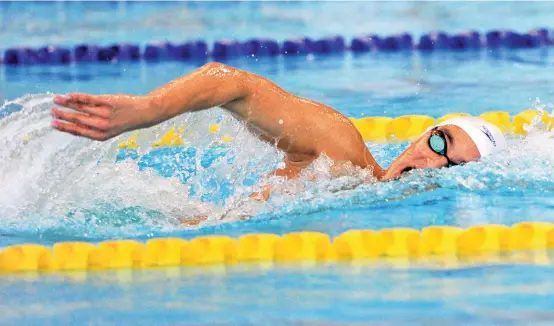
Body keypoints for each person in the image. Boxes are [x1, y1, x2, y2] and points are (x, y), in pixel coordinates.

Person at [51, 62, 506, 223]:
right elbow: (234, 83)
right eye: (441, 142)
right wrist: (149, 109)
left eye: (456, 168)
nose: (432, 163)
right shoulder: (341, 152)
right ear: (424, 133)